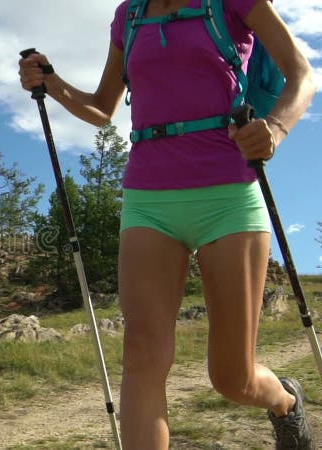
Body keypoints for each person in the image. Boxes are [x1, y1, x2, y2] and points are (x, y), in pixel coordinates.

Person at [19, 0, 316, 448]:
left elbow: (302, 73)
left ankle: (284, 401)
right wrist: (50, 82)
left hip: (229, 195)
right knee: (141, 356)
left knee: (232, 379)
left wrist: (275, 127)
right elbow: (103, 109)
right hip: (147, 199)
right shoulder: (129, 15)